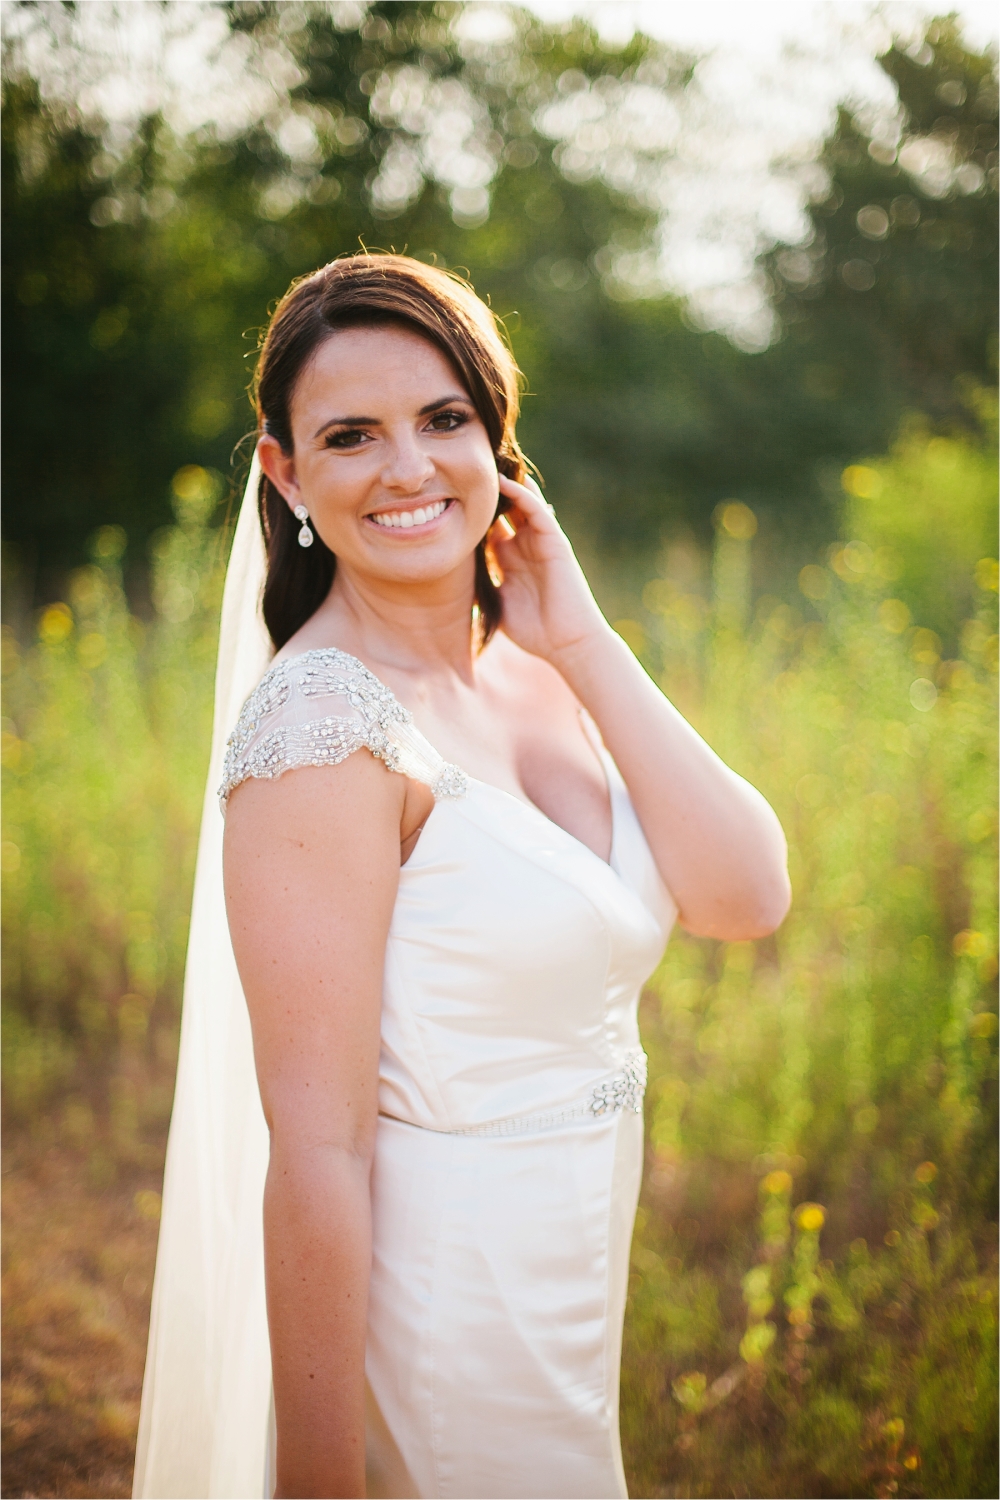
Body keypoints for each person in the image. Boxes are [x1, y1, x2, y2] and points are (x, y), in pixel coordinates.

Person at [133, 252, 790, 1500]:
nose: (407, 469)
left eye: (444, 419)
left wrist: (582, 640)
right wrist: (317, 1480)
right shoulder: (323, 730)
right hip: (446, 1293)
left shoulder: (539, 670)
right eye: (351, 435)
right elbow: (316, 1153)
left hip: (573, 1258)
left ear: (497, 435)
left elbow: (745, 897)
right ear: (286, 474)